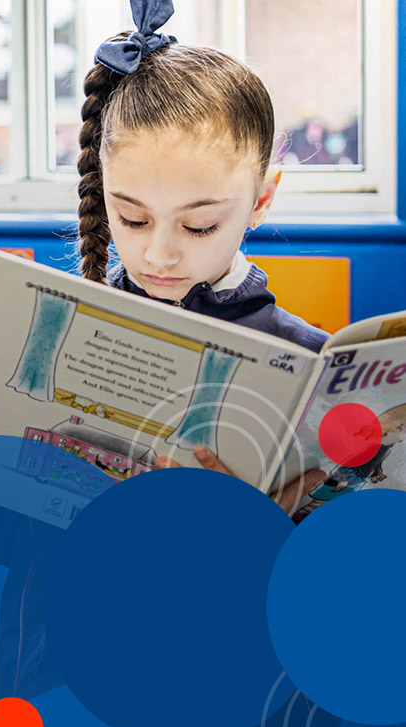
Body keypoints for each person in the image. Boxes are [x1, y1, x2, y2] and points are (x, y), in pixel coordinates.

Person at [77, 0, 326, 514]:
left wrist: (265, 525)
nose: (160, 255)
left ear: (261, 200)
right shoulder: (70, 330)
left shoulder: (310, 366)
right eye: (133, 218)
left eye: (199, 225)